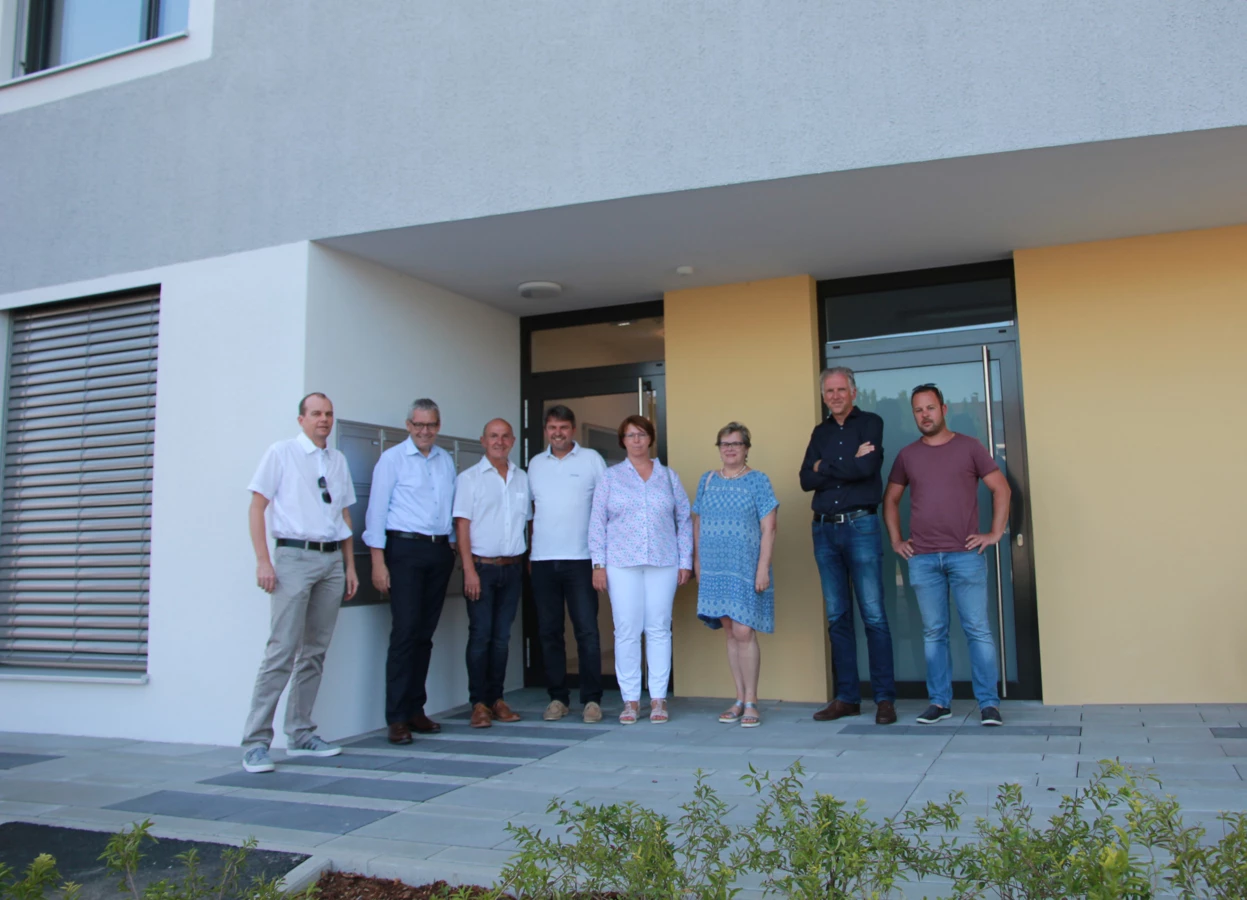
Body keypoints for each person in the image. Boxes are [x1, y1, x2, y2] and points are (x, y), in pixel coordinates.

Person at [241, 392, 360, 773]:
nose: (323, 419)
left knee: (314, 651)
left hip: (330, 562)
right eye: (316, 414)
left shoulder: (337, 459)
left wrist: (350, 567)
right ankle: (256, 743)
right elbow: (257, 506)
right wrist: (263, 560)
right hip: (293, 558)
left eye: (328, 413)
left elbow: (342, 515)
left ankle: (301, 733)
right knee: (281, 650)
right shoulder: (281, 453)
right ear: (301, 419)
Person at [883, 383, 1011, 727]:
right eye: (918, 410)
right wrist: (897, 540)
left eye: (930, 408)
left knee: (978, 630)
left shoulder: (969, 447)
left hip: (965, 556)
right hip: (924, 559)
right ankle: (940, 702)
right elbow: (891, 499)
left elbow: (1001, 488)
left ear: (944, 408)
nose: (924, 415)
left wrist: (995, 533)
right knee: (933, 633)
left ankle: (989, 704)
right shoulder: (908, 455)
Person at [800, 367, 897, 725]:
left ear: (854, 392)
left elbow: (867, 468)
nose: (836, 396)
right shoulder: (819, 432)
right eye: (829, 391)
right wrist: (844, 464)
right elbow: (804, 479)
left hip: (861, 525)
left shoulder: (871, 423)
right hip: (824, 531)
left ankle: (884, 699)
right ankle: (847, 698)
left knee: (873, 615)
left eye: (841, 389)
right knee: (837, 616)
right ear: (824, 395)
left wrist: (825, 466)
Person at [362, 398, 457, 745]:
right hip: (403, 551)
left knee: (424, 635)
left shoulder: (446, 460)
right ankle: (397, 717)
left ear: (438, 425)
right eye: (418, 425)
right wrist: (377, 562)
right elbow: (375, 513)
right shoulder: (392, 460)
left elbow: (449, 509)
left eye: (430, 425)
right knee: (404, 634)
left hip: (437, 551)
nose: (424, 431)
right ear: (408, 425)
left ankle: (416, 709)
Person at [588, 415, 692, 725]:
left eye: (641, 434)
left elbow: (684, 519)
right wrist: (598, 564)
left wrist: (685, 561)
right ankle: (631, 700)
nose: (636, 440)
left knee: (659, 628)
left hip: (663, 561)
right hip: (621, 563)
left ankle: (658, 698)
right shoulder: (610, 477)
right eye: (630, 435)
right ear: (623, 440)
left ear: (650, 439)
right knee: (627, 630)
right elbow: (597, 524)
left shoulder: (668, 477)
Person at [692, 422, 778, 728]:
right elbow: (698, 525)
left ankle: (753, 699)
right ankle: (739, 697)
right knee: (729, 630)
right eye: (724, 444)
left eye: (736, 444)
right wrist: (698, 564)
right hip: (714, 567)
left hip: (745, 567)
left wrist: (762, 568)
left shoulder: (758, 481)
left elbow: (769, 528)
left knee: (744, 631)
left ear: (746, 448)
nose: (730, 449)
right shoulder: (707, 481)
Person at [528, 405, 608, 724]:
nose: (557, 433)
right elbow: (530, 514)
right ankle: (558, 698)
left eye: (563, 427)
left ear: (573, 429)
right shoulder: (534, 464)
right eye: (552, 427)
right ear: (546, 430)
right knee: (549, 632)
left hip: (582, 560)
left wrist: (600, 561)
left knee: (587, 631)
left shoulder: (592, 461)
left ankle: (591, 700)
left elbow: (605, 511)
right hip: (543, 561)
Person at [453, 418, 531, 728]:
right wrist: (468, 570)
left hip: (511, 569)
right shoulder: (469, 479)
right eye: (493, 436)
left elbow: (528, 522)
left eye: (504, 437)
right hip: (482, 569)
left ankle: (497, 699)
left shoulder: (522, 478)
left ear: (513, 441)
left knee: (502, 639)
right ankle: (479, 704)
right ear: (483, 441)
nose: (499, 441)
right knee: (481, 636)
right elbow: (462, 526)